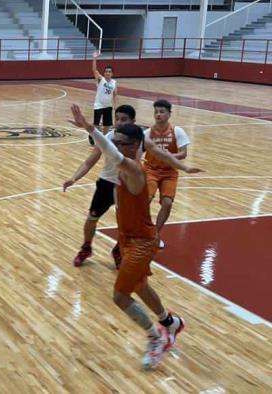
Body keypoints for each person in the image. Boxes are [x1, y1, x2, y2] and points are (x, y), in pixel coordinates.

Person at [69, 104, 199, 369]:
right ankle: (171, 323)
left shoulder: (135, 170)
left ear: (133, 146)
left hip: (141, 242)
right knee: (139, 286)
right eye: (114, 140)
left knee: (120, 296)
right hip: (129, 239)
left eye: (120, 142)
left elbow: (112, 152)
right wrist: (92, 132)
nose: (114, 145)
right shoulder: (124, 165)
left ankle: (156, 338)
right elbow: (108, 150)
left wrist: (90, 128)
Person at [63, 104, 199, 268]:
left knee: (125, 224)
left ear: (133, 121)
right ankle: (86, 247)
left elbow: (164, 155)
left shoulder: (141, 139)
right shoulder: (107, 137)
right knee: (92, 219)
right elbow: (89, 161)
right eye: (117, 119)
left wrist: (185, 168)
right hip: (107, 183)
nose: (119, 122)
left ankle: (119, 250)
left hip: (128, 185)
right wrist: (74, 178)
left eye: (124, 119)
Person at [144, 99, 191, 249]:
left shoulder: (177, 131)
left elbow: (183, 153)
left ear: (169, 114)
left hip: (169, 172)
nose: (158, 114)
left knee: (167, 203)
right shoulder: (147, 133)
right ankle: (143, 231)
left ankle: (155, 234)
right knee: (145, 201)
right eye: (156, 112)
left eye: (162, 112)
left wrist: (168, 156)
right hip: (150, 170)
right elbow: (137, 151)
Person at [90, 51, 117, 145]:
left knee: (107, 125)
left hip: (108, 106)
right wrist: (94, 58)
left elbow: (114, 94)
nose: (107, 73)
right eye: (106, 71)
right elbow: (94, 70)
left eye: (109, 72)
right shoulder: (101, 79)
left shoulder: (114, 82)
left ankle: (104, 140)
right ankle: (92, 135)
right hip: (98, 105)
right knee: (96, 124)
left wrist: (115, 105)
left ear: (112, 73)